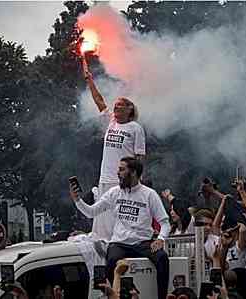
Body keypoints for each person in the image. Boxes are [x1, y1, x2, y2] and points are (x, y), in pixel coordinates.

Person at [70, 157, 169, 299]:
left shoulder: (149, 194)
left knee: (162, 258)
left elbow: (165, 222)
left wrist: (160, 239)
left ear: (133, 172)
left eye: (122, 169)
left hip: (143, 242)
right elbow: (91, 212)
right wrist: (77, 200)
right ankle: (117, 296)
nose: (118, 173)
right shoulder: (114, 192)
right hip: (120, 243)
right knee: (110, 262)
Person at [84, 66, 146, 242]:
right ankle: (101, 242)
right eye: (115, 105)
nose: (116, 108)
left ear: (129, 109)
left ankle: (119, 243)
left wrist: (136, 179)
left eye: (120, 106)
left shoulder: (135, 128)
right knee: (102, 215)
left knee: (119, 214)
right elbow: (99, 101)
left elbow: (140, 157)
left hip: (123, 178)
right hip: (105, 176)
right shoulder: (111, 122)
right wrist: (90, 81)